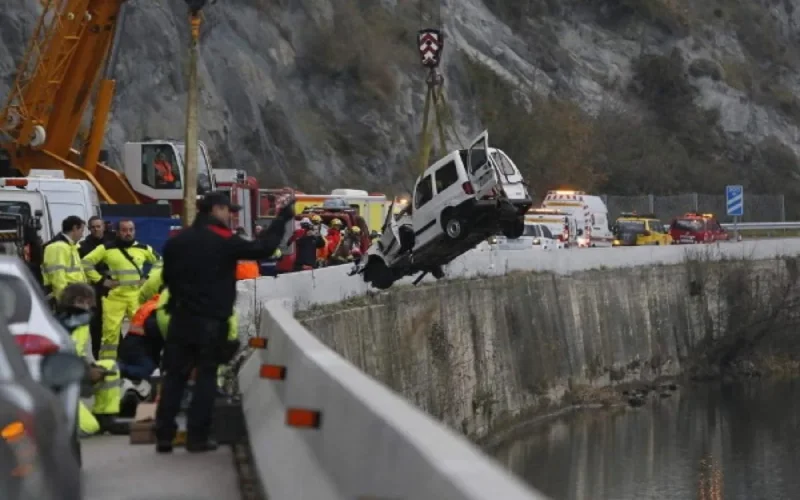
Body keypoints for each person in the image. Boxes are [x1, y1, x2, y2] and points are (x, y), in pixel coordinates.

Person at [154, 191, 294, 453]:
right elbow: (261, 249)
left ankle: (164, 435)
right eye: (228, 210)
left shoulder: (177, 241)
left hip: (180, 319)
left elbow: (168, 278)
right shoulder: (223, 240)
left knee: (175, 378)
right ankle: (197, 438)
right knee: (206, 377)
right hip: (209, 321)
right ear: (215, 209)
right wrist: (281, 220)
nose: (231, 215)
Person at [82, 220, 162, 360]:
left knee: (141, 331)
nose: (128, 233)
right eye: (124, 230)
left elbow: (160, 262)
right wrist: (102, 281)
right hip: (114, 297)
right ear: (117, 232)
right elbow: (85, 263)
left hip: (136, 296)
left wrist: (148, 277)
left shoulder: (144, 248)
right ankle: (108, 366)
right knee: (110, 334)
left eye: (131, 230)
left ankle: (140, 362)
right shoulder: (106, 248)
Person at [55, 283, 126, 436]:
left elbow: (78, 354)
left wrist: (90, 366)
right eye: (81, 301)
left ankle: (105, 416)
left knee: (109, 365)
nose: (86, 306)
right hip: (59, 388)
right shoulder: (61, 324)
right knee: (89, 428)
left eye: (88, 302)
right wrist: (87, 370)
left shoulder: (81, 323)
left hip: (72, 376)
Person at [79, 216, 110, 359]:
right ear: (89, 229)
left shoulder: (112, 243)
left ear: (103, 226)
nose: (96, 229)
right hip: (94, 290)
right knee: (96, 326)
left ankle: (115, 358)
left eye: (99, 226)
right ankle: (97, 357)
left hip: (112, 289)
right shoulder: (84, 246)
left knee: (112, 325)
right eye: (93, 227)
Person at [42, 216, 87, 304]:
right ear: (74, 228)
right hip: (66, 299)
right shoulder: (59, 247)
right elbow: (57, 277)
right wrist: (62, 300)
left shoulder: (70, 247)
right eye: (81, 231)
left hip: (73, 297)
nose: (82, 235)